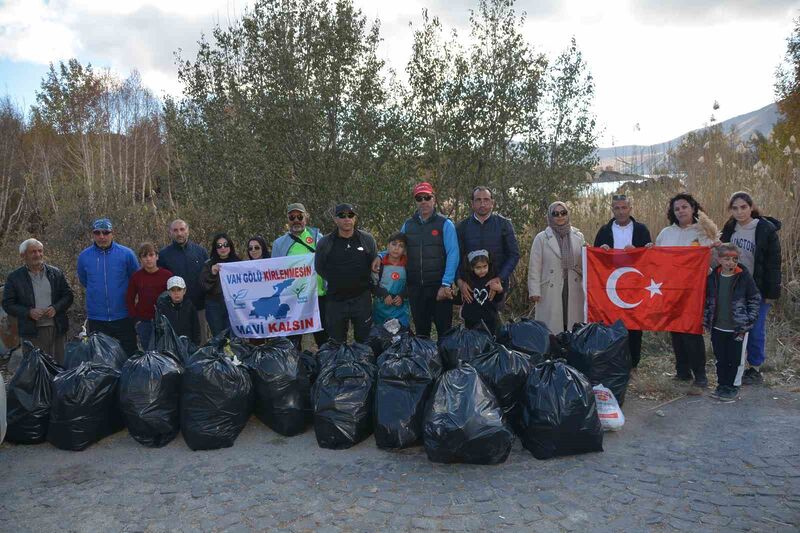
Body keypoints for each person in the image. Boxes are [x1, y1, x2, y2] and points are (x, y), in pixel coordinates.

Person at [655, 192, 719, 392]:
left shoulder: (704, 232)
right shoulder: (666, 233)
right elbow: (656, 260)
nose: (681, 211)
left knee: (691, 330)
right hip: (672, 288)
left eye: (684, 207)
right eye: (677, 208)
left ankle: (700, 375)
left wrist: (715, 247)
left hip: (696, 289)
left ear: (693, 208)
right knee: (675, 330)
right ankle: (682, 371)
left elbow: (716, 260)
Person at [377, 182, 459, 338]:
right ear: (415, 201)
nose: (423, 201)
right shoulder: (408, 225)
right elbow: (396, 248)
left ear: (434, 199)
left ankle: (447, 362)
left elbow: (453, 254)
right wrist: (380, 256)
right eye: (419, 198)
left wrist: (446, 283)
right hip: (415, 289)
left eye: (427, 197)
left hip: (439, 287)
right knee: (422, 333)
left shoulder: (445, 224)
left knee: (445, 333)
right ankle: (426, 362)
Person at [720, 191, 782, 385]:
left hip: (757, 288)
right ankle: (735, 364)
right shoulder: (730, 228)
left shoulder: (765, 229)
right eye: (735, 208)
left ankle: (754, 368)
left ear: (751, 207)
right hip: (734, 287)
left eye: (743, 207)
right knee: (735, 329)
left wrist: (770, 293)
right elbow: (721, 255)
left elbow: (773, 263)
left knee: (755, 329)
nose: (739, 212)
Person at [593, 193, 653, 369]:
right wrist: (601, 251)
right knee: (612, 323)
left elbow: (648, 259)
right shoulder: (604, 230)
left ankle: (633, 363)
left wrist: (639, 250)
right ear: (612, 210)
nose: (620, 212)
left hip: (635, 284)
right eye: (617, 208)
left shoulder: (641, 229)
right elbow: (595, 260)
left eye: (624, 207)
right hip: (611, 285)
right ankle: (614, 362)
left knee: (634, 325)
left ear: (630, 208)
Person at [703, 243, 761, 402]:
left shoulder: (744, 277)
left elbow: (755, 298)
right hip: (718, 327)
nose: (731, 262)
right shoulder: (713, 278)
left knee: (735, 359)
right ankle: (722, 385)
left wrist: (749, 319)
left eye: (734, 259)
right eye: (726, 259)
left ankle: (733, 387)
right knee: (720, 358)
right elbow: (707, 300)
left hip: (737, 328)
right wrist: (706, 318)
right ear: (719, 259)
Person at [2, 239, 74, 364]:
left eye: (40, 251)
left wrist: (56, 308)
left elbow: (68, 295)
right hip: (31, 331)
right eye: (33, 252)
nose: (37, 255)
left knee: (59, 366)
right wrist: (28, 312)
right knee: (36, 369)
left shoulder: (55, 273)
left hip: (57, 328)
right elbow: (8, 304)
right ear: (23, 255)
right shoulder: (15, 278)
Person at [315, 203, 377, 343]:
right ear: (335, 220)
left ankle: (364, 364)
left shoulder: (367, 239)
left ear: (355, 218)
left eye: (350, 215)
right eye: (342, 216)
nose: (346, 219)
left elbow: (374, 262)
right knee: (336, 342)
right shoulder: (325, 243)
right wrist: (337, 280)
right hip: (335, 300)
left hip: (361, 299)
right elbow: (319, 267)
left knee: (365, 340)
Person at [77, 218, 140, 355]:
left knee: (129, 354)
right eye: (97, 233)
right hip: (97, 317)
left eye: (106, 232)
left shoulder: (127, 254)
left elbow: (136, 280)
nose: (101, 236)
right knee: (102, 358)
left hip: (123, 315)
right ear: (92, 234)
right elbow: (84, 280)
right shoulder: (84, 257)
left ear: (112, 233)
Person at [272, 203, 328, 349]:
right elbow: (273, 271)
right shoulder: (279, 243)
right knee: (293, 341)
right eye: (292, 217)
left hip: (318, 297)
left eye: (299, 216)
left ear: (306, 218)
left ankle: (326, 368)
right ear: (288, 220)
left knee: (324, 339)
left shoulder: (318, 238)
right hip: (293, 299)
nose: (296, 220)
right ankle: (296, 369)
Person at [456, 186, 520, 308]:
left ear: (492, 202)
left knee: (494, 323)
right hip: (470, 288)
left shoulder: (504, 224)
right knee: (471, 325)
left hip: (496, 287)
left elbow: (514, 254)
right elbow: (455, 257)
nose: (482, 203)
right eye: (478, 200)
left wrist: (499, 278)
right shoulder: (462, 227)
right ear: (472, 203)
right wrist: (459, 282)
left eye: (486, 199)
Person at [527, 202, 586, 334]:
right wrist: (534, 291)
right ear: (550, 216)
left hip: (574, 285)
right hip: (550, 286)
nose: (560, 216)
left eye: (563, 213)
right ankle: (553, 350)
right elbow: (534, 267)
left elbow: (585, 262)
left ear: (568, 214)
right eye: (555, 214)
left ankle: (571, 349)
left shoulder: (579, 236)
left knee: (573, 323)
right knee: (552, 326)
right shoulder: (541, 238)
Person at [158, 219, 210, 344]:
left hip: (199, 308)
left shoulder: (201, 252)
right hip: (175, 311)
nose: (179, 233)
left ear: (188, 231)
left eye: (182, 229)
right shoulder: (164, 255)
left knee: (200, 345)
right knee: (175, 346)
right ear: (170, 233)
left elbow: (208, 279)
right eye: (175, 230)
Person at [126, 242, 172, 350]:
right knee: (149, 352)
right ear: (140, 259)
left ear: (157, 256)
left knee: (164, 351)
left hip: (163, 321)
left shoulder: (167, 275)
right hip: (144, 321)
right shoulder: (136, 277)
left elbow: (174, 297)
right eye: (144, 256)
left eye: (151, 255)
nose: (148, 259)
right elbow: (129, 298)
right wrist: (135, 319)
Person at [200, 233, 240, 336]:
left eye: (226, 245)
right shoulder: (208, 264)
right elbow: (204, 286)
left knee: (234, 335)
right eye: (219, 246)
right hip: (214, 305)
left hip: (234, 303)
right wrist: (212, 274)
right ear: (215, 248)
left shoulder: (238, 263)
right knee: (218, 336)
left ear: (230, 246)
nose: (223, 248)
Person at [460, 250, 504, 335]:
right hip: (471, 319)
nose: (482, 270)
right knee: (473, 341)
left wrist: (500, 290)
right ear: (472, 267)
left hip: (489, 318)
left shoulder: (492, 280)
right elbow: (461, 298)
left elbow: (498, 299)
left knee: (490, 340)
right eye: (478, 267)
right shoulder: (467, 282)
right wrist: (452, 296)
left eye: (485, 266)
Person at [372, 233, 411, 328]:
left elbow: (412, 284)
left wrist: (402, 295)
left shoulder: (408, 265)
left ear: (404, 250)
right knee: (381, 337)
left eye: (401, 246)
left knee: (400, 337)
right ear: (388, 246)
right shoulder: (379, 264)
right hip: (381, 309)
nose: (396, 248)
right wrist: (384, 294)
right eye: (394, 244)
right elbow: (372, 285)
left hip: (400, 310)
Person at [157, 276, 201, 346]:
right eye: (173, 290)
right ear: (168, 292)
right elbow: (158, 329)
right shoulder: (162, 307)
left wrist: (196, 344)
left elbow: (196, 327)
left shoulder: (190, 306)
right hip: (169, 346)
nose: (176, 293)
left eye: (179, 289)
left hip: (187, 344)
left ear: (184, 291)